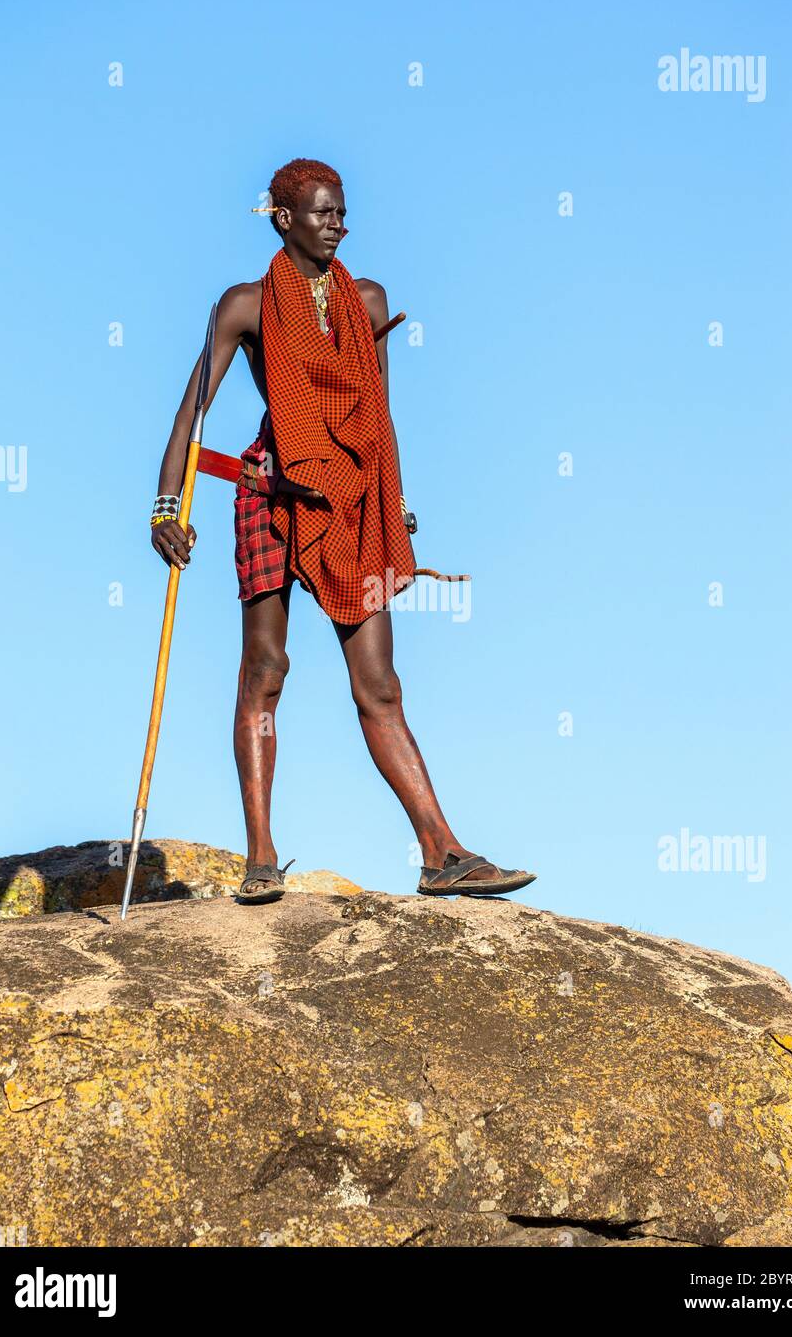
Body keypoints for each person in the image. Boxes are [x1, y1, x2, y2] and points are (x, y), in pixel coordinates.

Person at [151, 158, 536, 903]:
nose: (338, 224)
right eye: (323, 213)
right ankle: (261, 856)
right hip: (271, 494)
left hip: (352, 502)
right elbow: (192, 409)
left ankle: (442, 854)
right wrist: (169, 506)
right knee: (265, 672)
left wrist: (393, 502)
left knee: (380, 684)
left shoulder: (367, 301)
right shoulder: (244, 306)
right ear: (283, 218)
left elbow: (379, 420)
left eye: (342, 212)